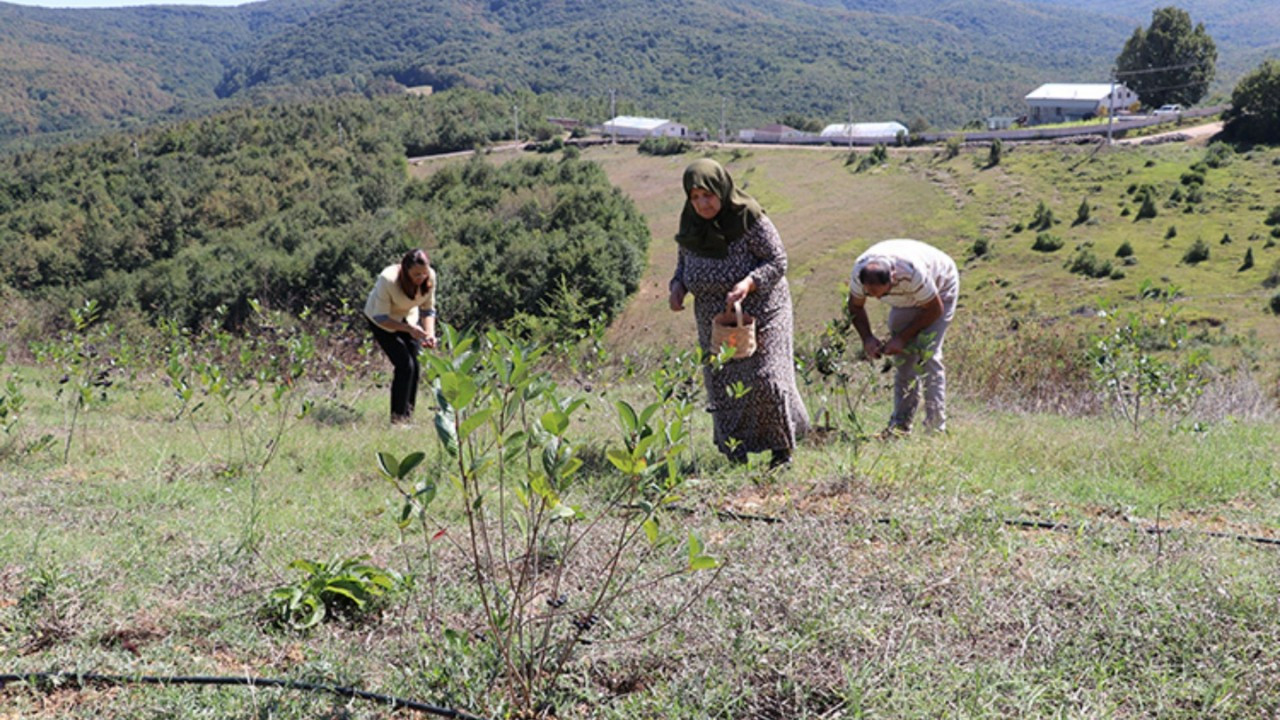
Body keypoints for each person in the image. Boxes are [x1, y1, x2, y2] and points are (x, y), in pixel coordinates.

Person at [668, 158, 809, 467]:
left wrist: (748, 283)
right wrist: (677, 286)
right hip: (713, 318)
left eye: (708, 195)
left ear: (722, 189)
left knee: (766, 376)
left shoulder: (749, 217)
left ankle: (781, 451)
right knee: (724, 384)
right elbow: (683, 266)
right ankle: (736, 453)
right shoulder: (690, 223)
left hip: (762, 309)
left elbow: (777, 260)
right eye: (695, 197)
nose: (702, 203)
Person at [847, 239, 959, 435]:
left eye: (884, 293)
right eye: (872, 295)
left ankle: (935, 429)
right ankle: (900, 427)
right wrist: (867, 338)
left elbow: (934, 309)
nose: (879, 299)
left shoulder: (912, 272)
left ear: (893, 276)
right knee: (904, 361)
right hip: (906, 299)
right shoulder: (859, 273)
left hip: (940, 290)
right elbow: (855, 306)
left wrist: (902, 338)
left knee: (928, 354)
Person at [364, 249, 438, 425]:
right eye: (416, 274)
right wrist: (408, 329)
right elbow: (381, 317)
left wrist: (430, 334)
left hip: (407, 318)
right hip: (382, 322)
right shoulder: (388, 279)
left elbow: (428, 309)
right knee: (405, 365)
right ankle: (397, 419)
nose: (421, 277)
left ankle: (407, 417)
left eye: (424, 273)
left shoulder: (430, 276)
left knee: (415, 366)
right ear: (405, 271)